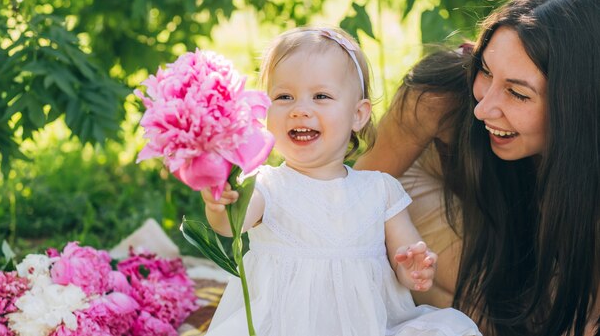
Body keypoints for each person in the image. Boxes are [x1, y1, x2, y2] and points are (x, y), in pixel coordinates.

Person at [355, 0, 600, 336]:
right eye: (485, 70)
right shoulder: (439, 98)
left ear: (575, 103)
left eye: (517, 94)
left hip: (541, 226)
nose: (483, 109)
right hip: (433, 201)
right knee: (485, 314)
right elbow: (353, 200)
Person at [202, 27, 482, 336]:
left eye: (320, 96)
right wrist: (219, 203)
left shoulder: (380, 190)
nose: (300, 110)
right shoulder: (267, 186)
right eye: (284, 97)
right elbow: (230, 226)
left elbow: (405, 251)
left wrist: (413, 267)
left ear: (358, 115)